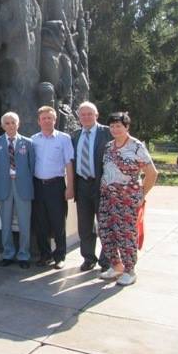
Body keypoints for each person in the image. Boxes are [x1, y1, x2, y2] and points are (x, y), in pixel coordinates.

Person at [98, 112, 158, 286]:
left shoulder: (136, 146)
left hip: (126, 200)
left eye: (119, 126)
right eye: (112, 126)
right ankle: (116, 266)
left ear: (126, 127)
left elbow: (152, 173)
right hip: (107, 198)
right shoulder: (109, 146)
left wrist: (141, 194)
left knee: (125, 235)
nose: (115, 129)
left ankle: (130, 270)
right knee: (106, 232)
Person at [0, 112, 35, 269]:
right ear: (2, 126)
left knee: (24, 223)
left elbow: (32, 165)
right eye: (7, 123)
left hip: (22, 187)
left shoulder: (28, 143)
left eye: (13, 122)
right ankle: (8, 253)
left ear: (18, 124)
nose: (10, 125)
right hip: (4, 186)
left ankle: (24, 255)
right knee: (6, 222)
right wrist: (3, 179)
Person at [31, 106, 75, 269]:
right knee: (40, 223)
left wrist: (70, 187)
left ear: (55, 120)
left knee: (58, 222)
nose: (47, 121)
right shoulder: (33, 139)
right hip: (38, 186)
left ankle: (60, 256)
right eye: (44, 118)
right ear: (39, 121)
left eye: (50, 118)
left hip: (56, 185)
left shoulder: (64, 138)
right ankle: (45, 255)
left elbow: (69, 163)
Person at [72, 101, 113, 272]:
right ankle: (88, 258)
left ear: (96, 115)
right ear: (79, 117)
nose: (86, 117)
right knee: (85, 225)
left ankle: (107, 260)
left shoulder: (107, 133)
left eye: (90, 114)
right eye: (83, 114)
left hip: (101, 185)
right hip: (82, 185)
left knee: (104, 223)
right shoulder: (74, 135)